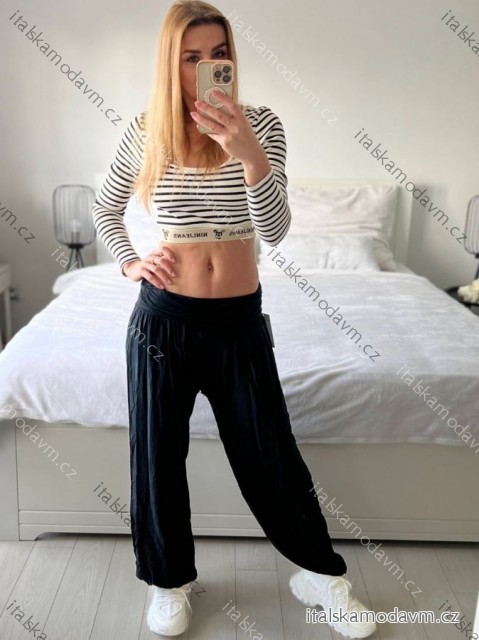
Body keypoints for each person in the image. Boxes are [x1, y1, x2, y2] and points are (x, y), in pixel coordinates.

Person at [92, 1, 377, 638]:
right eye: (191, 57)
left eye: (218, 54)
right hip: (163, 322)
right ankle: (168, 580)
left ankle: (318, 574)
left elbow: (274, 230)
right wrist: (131, 262)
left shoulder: (263, 125)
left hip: (239, 323)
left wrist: (248, 155)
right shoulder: (147, 131)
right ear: (171, 63)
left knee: (269, 452)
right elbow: (104, 209)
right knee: (157, 456)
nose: (207, 67)